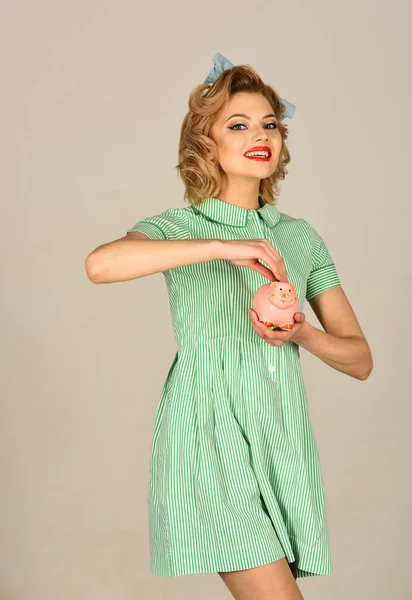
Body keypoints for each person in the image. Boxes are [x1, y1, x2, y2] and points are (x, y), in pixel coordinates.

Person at [85, 53, 373, 600]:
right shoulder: (175, 229)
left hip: (280, 438)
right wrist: (223, 246)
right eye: (237, 125)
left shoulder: (301, 238)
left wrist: (302, 335)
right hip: (209, 441)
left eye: (269, 124)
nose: (259, 136)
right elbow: (100, 265)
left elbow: (360, 360)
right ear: (205, 141)